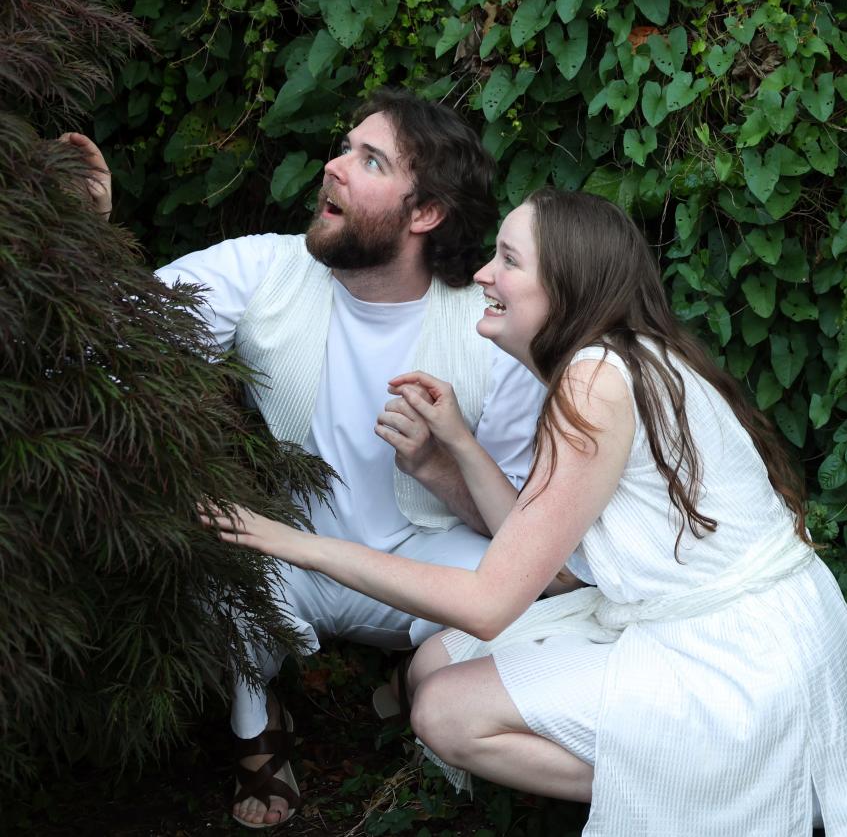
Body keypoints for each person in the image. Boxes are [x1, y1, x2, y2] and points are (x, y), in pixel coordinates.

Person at [205, 188, 847, 835]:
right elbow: (556, 567)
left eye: (508, 259)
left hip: (736, 658)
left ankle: (705, 785)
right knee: (433, 661)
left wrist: (288, 541)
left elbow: (489, 601)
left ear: (564, 285)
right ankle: (697, 777)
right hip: (709, 627)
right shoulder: (611, 361)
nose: (482, 273)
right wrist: (458, 445)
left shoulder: (594, 380)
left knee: (444, 710)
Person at [64, 90, 549, 829]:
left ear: (425, 214)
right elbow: (121, 356)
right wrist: (82, 239)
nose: (334, 165)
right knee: (212, 547)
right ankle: (258, 727)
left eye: (370, 159)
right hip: (298, 553)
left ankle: (418, 675)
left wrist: (441, 466)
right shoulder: (263, 271)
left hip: (430, 563)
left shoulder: (489, 331)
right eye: (345, 146)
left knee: (522, 601)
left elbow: (523, 530)